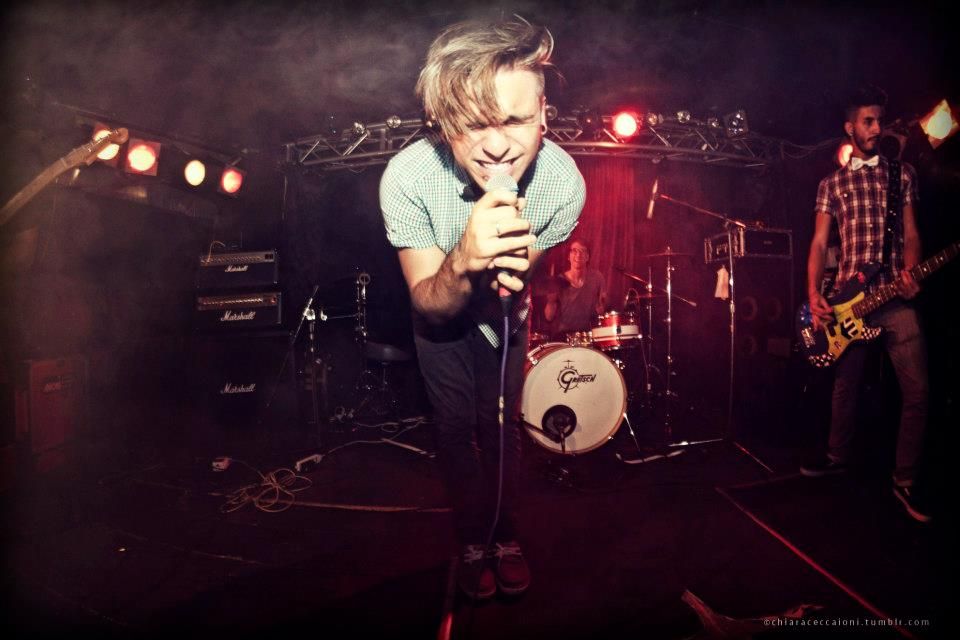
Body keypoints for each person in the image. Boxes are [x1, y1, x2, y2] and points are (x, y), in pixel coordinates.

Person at [379, 18, 586, 598]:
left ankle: (505, 534)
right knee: (453, 428)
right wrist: (464, 261)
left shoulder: (563, 185)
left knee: (500, 428)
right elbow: (429, 303)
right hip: (440, 323)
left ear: (543, 113)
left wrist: (510, 268)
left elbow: (524, 276)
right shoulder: (408, 178)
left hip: (505, 320)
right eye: (473, 124)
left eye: (515, 120)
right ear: (443, 122)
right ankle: (472, 538)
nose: (497, 147)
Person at [801, 85, 931, 523]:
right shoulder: (831, 184)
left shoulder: (902, 174)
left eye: (879, 120)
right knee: (846, 386)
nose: (876, 128)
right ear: (850, 127)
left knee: (918, 390)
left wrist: (911, 272)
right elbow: (819, 244)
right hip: (847, 302)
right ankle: (837, 458)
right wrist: (814, 294)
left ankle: (905, 479)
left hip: (892, 295)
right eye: (868, 121)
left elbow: (911, 234)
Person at [542, 237, 606, 338]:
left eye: (582, 251)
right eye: (574, 251)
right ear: (569, 256)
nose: (578, 254)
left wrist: (601, 308)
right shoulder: (559, 281)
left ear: (587, 257)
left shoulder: (597, 278)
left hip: (588, 335)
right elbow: (548, 317)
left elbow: (603, 309)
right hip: (564, 336)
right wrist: (551, 302)